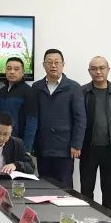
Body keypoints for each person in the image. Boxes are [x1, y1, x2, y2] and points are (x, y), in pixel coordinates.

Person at [79, 56, 111, 211]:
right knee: (86, 191)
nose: (98, 72)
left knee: (109, 192)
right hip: (88, 149)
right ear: (89, 71)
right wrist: (77, 145)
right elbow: (77, 121)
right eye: (94, 69)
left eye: (101, 68)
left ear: (108, 69)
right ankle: (87, 220)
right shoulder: (82, 92)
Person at [33, 48, 86, 189]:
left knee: (65, 187)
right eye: (49, 62)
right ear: (43, 65)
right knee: (44, 186)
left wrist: (76, 144)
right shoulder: (36, 87)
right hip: (43, 146)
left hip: (64, 147)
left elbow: (80, 118)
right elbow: (33, 117)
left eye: (57, 62)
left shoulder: (73, 87)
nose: (53, 65)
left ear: (63, 64)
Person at [0, 56, 37, 153]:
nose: (12, 72)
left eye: (16, 69)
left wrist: (27, 149)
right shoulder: (1, 91)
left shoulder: (28, 91)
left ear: (23, 72)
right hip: (0, 141)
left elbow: (32, 122)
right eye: (9, 68)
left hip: (18, 143)